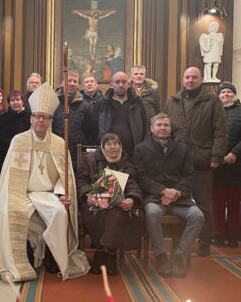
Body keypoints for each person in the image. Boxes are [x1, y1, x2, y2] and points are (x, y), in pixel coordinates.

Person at [0, 83, 90, 282]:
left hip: (49, 195)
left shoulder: (58, 142)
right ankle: (24, 255)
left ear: (50, 120)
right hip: (23, 193)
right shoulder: (19, 140)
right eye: (37, 116)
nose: (41, 120)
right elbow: (10, 175)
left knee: (59, 212)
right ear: (30, 119)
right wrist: (14, 196)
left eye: (45, 117)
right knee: (11, 211)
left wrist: (61, 193)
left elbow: (65, 176)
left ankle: (52, 256)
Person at [165, 66, 227, 257]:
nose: (190, 80)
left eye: (194, 77)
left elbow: (220, 130)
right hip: (178, 162)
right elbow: (166, 130)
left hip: (202, 160)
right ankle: (179, 242)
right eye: (187, 77)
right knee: (179, 203)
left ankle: (205, 241)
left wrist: (216, 156)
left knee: (203, 204)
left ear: (201, 80)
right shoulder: (173, 102)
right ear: (182, 79)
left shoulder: (212, 100)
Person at [134, 113, 205, 278]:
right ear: (152, 128)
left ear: (170, 128)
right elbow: (141, 177)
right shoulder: (141, 149)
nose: (162, 128)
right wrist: (163, 191)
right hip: (154, 197)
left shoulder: (183, 148)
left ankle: (180, 256)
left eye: (166, 125)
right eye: (158, 125)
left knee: (198, 216)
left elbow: (189, 175)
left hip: (180, 198)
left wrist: (176, 192)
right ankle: (161, 257)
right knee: (152, 213)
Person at [76, 133, 143, 276]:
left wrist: (131, 199)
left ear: (120, 146)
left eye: (116, 143)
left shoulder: (127, 164)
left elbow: (133, 185)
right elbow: (80, 181)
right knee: (96, 213)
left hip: (117, 204)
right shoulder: (89, 160)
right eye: (109, 144)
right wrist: (88, 195)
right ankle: (102, 251)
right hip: (93, 201)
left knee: (115, 214)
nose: (113, 147)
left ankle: (110, 253)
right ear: (102, 146)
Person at [212, 82, 241, 248]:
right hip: (217, 164)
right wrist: (215, 155)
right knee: (217, 202)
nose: (226, 95)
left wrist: (235, 152)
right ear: (219, 96)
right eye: (222, 93)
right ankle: (218, 234)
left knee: (234, 203)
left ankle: (233, 236)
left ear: (234, 95)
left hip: (236, 164)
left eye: (229, 92)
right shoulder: (214, 112)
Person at [93, 71, 148, 159]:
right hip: (108, 154)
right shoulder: (102, 103)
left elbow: (145, 127)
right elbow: (93, 128)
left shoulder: (137, 103)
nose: (121, 85)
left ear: (128, 84)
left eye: (124, 82)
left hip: (133, 153)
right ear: (111, 84)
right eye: (117, 82)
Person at [52, 71, 95, 168]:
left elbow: (90, 132)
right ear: (62, 83)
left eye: (75, 81)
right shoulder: (54, 102)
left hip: (77, 154)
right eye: (69, 80)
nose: (71, 84)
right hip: (57, 151)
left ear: (78, 84)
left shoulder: (85, 106)